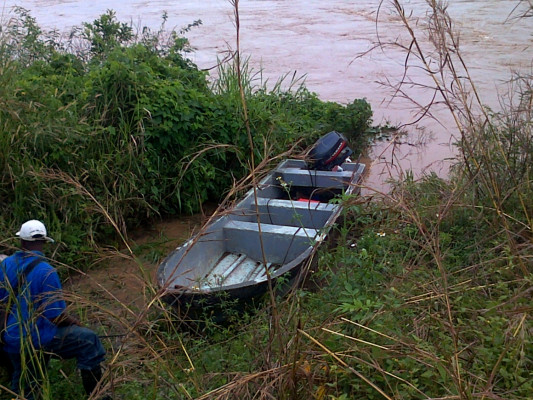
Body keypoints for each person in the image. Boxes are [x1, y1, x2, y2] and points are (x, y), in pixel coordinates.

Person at [0, 220, 110, 399]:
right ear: (44, 242)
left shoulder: (6, 265)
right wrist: (74, 322)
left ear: (21, 242)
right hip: (37, 339)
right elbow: (54, 316)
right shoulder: (47, 271)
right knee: (88, 341)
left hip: (12, 339)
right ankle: (98, 396)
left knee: (26, 386)